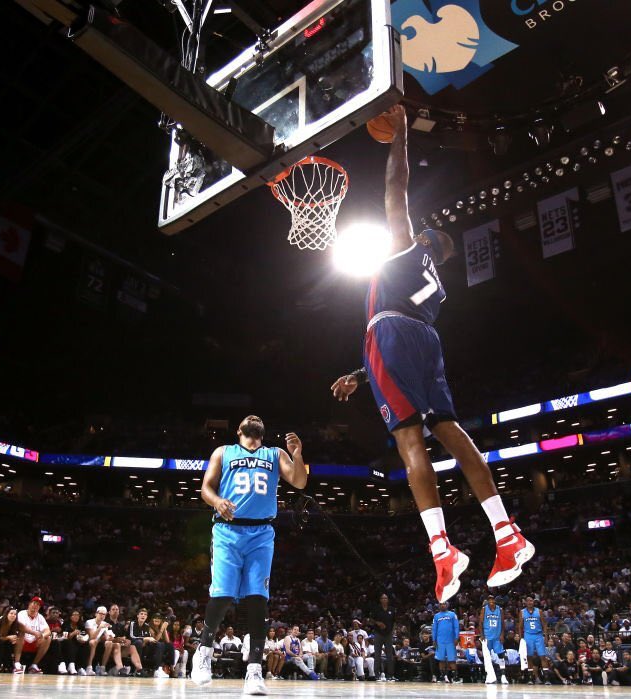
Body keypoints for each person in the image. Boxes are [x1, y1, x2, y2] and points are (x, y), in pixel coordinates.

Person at [330, 105, 534, 604]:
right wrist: (364, 372)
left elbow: (394, 188)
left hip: (392, 336)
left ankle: (444, 551)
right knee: (447, 429)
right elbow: (407, 329)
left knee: (409, 442)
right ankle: (506, 533)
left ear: (422, 239)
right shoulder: (438, 287)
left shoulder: (404, 245)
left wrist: (399, 137)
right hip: (424, 340)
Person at [192, 415, 308, 695]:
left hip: (261, 533)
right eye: (249, 417)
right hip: (227, 531)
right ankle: (204, 650)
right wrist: (218, 500)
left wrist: (298, 455)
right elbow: (206, 488)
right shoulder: (223, 452)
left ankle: (255, 671)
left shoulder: (275, 453)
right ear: (239, 429)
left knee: (258, 599)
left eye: (258, 418)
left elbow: (299, 482)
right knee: (222, 595)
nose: (254, 417)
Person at [13, 596, 51, 674]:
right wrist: (34, 633)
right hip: (22, 641)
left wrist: (42, 636)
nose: (35, 605)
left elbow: (48, 631)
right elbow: (21, 627)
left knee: (48, 638)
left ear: (39, 607)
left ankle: (34, 665)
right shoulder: (22, 613)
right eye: (34, 603)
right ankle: (17, 664)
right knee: (21, 633)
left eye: (38, 605)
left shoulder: (40, 617)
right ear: (30, 604)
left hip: (35, 643)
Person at [480, 593, 509, 684]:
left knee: (501, 655)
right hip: (487, 637)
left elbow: (502, 623)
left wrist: (502, 635)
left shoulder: (500, 610)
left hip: (497, 637)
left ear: (495, 601)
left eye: (493, 599)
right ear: (488, 601)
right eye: (490, 600)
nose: (491, 601)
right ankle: (490, 676)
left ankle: (503, 676)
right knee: (487, 657)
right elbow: (480, 623)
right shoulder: (484, 609)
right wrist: (482, 635)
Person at [369, 593, 396, 681]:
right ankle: (377, 675)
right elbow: (370, 620)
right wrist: (378, 623)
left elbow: (394, 622)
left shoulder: (392, 609)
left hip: (388, 634)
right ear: (380, 600)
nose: (384, 599)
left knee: (389, 655)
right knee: (377, 655)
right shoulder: (376, 609)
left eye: (386, 598)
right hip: (378, 634)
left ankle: (390, 675)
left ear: (387, 600)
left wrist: (392, 631)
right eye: (382, 598)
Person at [431, 600, 459, 683]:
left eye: (444, 604)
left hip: (450, 640)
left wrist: (456, 638)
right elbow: (434, 628)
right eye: (441, 604)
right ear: (439, 606)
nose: (442, 605)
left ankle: (454, 677)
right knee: (441, 659)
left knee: (452, 660)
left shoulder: (452, 615)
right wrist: (434, 640)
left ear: (447, 605)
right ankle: (443, 677)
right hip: (440, 641)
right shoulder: (436, 616)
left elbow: (456, 627)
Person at [519, 595, 545, 682]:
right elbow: (520, 626)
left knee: (542, 656)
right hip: (528, 635)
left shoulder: (539, 611)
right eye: (528, 601)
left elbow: (544, 624)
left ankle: (546, 679)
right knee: (529, 657)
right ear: (525, 602)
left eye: (531, 601)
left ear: (534, 602)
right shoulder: (522, 612)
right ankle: (530, 678)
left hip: (538, 635)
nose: (530, 602)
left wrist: (546, 636)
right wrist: (521, 639)